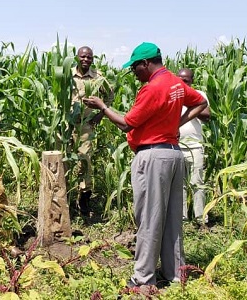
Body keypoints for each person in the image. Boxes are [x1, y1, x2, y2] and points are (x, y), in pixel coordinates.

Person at [82, 42, 207, 287]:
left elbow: (127, 124)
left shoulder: (153, 88)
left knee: (149, 219)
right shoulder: (175, 83)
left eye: (135, 68)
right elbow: (200, 103)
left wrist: (103, 107)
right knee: (172, 219)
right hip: (174, 154)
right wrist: (177, 125)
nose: (134, 74)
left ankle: (143, 279)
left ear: (146, 63)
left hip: (153, 157)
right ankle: (175, 274)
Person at [71, 46, 113, 216]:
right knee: (64, 162)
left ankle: (84, 201)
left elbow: (109, 97)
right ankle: (65, 199)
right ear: (77, 57)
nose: (86, 60)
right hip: (67, 126)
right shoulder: (67, 76)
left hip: (86, 126)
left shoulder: (98, 78)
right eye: (83, 57)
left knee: (85, 162)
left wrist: (100, 115)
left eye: (89, 57)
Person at [177, 68, 211, 224]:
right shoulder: (172, 95)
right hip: (176, 146)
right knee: (179, 185)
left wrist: (192, 104)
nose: (183, 83)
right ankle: (182, 218)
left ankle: (200, 218)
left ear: (192, 81)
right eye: (180, 80)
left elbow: (207, 116)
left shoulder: (199, 96)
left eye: (186, 81)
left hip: (196, 146)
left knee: (197, 183)